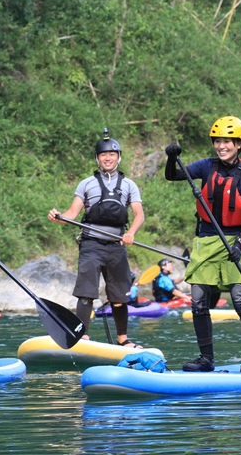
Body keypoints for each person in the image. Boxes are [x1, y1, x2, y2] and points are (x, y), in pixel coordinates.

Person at [164, 116, 241, 373]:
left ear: (239, 144)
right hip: (207, 240)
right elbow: (173, 176)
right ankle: (206, 358)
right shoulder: (206, 166)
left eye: (227, 142)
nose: (221, 146)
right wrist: (171, 157)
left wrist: (240, 243)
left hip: (237, 240)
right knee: (198, 300)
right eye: (218, 141)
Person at [48, 129, 145, 347]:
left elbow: (140, 215)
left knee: (119, 297)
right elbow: (71, 215)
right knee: (86, 294)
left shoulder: (129, 185)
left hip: (117, 244)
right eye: (103, 155)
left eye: (112, 154)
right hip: (91, 244)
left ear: (118, 157)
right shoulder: (86, 184)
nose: (107, 158)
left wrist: (131, 233)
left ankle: (123, 340)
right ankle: (83, 338)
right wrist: (58, 218)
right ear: (97, 158)